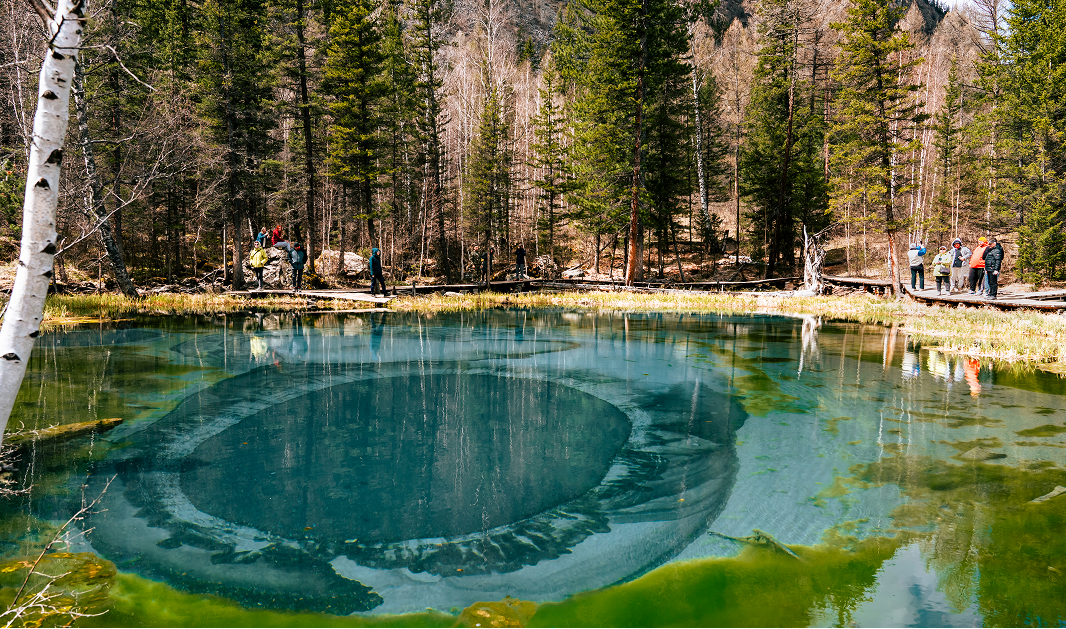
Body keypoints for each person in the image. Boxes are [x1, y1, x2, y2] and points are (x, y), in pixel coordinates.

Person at [983, 236, 1004, 300]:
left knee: (993, 282)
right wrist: (986, 269)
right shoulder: (991, 250)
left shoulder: (997, 250)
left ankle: (993, 294)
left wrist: (996, 269)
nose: (989, 245)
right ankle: (990, 293)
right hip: (989, 268)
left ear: (994, 243)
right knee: (990, 282)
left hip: (993, 268)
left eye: (990, 244)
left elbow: (998, 260)